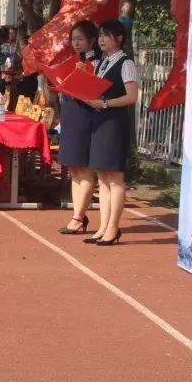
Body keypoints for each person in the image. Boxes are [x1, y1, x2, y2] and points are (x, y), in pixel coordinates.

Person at [83, 20, 138, 247]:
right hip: (99, 121)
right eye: (101, 35)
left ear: (119, 39)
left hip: (114, 122)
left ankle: (114, 227)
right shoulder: (103, 62)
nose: (102, 39)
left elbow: (132, 96)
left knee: (114, 178)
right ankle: (103, 226)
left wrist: (105, 104)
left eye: (107, 35)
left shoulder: (126, 63)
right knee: (102, 177)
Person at [57, 21, 102, 236]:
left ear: (92, 40)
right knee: (73, 168)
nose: (75, 43)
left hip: (86, 118)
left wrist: (85, 77)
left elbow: (99, 92)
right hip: (70, 114)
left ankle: (78, 217)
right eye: (73, 39)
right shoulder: (74, 61)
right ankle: (78, 214)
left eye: (80, 39)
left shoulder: (98, 63)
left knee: (83, 168)